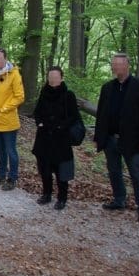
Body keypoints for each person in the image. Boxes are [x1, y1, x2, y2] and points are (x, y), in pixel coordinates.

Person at [93, 53, 139, 230]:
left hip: (132, 141)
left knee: (137, 174)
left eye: (119, 64)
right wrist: (99, 137)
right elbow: (101, 115)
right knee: (114, 171)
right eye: (114, 64)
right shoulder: (107, 88)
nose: (116, 67)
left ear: (127, 66)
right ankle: (119, 200)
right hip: (110, 138)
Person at [31, 66, 82, 210]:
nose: (52, 79)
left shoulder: (68, 95)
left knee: (61, 171)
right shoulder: (44, 92)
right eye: (50, 77)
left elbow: (74, 117)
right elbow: (37, 111)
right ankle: (46, 194)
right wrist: (39, 122)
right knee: (44, 168)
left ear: (61, 78)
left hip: (61, 139)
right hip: (44, 138)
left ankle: (62, 198)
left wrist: (60, 126)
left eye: (55, 77)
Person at [0, 48, 25, 190]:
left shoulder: (14, 74)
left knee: (10, 151)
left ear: (5, 59)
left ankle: (12, 178)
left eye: (0, 59)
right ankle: (1, 174)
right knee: (0, 151)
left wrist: (4, 108)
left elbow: (19, 96)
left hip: (9, 122)